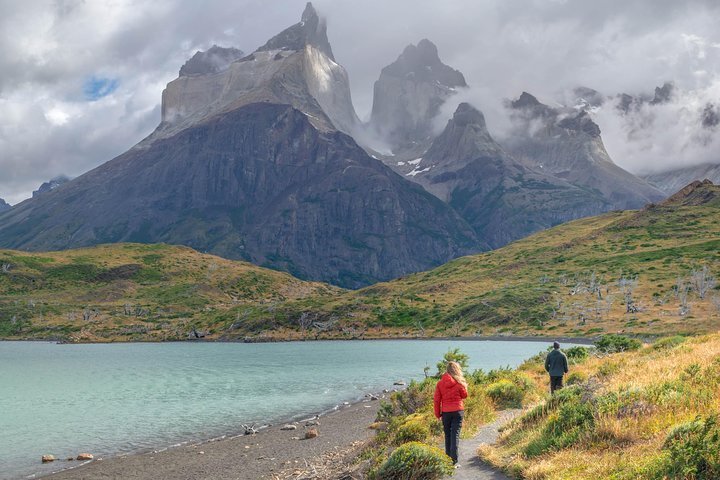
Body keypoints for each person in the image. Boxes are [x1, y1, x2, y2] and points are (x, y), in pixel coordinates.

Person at [433, 361, 468, 466]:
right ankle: (454, 461)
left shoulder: (440, 383)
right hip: (457, 411)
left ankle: (447, 460)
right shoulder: (459, 382)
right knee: (455, 435)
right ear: (457, 370)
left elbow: (436, 400)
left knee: (447, 435)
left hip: (446, 413)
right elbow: (465, 395)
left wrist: (437, 414)